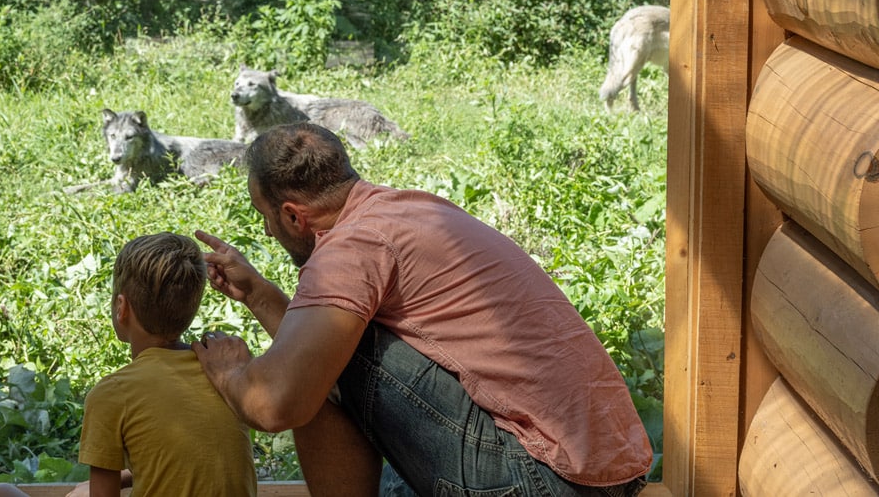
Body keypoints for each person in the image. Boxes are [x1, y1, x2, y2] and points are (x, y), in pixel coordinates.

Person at [191, 122, 652, 497]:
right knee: (329, 349)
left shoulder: (352, 247)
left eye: (265, 217)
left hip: (544, 479)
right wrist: (257, 294)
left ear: (293, 215)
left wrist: (231, 372)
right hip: (600, 475)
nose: (268, 233)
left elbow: (278, 404)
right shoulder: (409, 210)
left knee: (330, 354)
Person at [0, 232, 257, 497]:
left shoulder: (113, 393)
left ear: (121, 307)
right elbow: (193, 460)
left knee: (1, 492)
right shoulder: (223, 371)